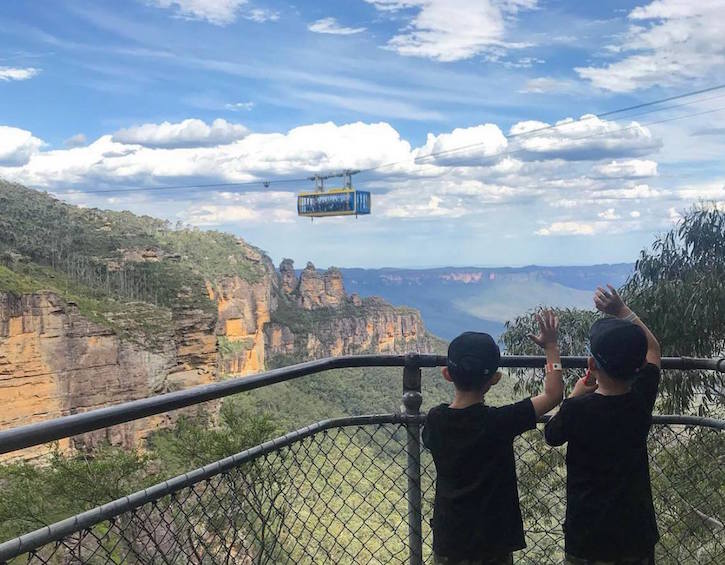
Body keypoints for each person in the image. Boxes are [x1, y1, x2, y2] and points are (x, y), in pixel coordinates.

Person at [422, 311, 565, 564]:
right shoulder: (500, 421)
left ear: (447, 374)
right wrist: (551, 347)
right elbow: (553, 395)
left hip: (450, 538)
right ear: (496, 379)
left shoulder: (435, 420)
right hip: (493, 540)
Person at [545, 285, 661, 565]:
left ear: (591, 365)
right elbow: (654, 350)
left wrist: (573, 393)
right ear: (637, 368)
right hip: (635, 534)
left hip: (587, 537)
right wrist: (622, 310)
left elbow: (552, 435)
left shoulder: (576, 409)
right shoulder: (640, 400)